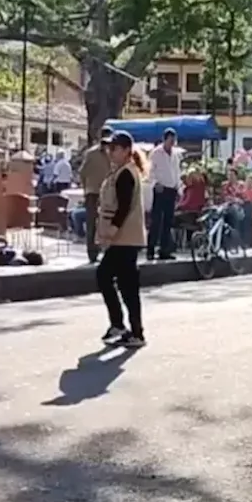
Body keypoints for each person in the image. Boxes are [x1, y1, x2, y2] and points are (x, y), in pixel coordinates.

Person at [95, 130, 148, 349]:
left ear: (127, 151)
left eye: (115, 148)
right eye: (109, 148)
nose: (111, 152)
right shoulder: (121, 171)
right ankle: (128, 328)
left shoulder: (126, 173)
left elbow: (124, 206)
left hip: (125, 237)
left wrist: (113, 229)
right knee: (125, 284)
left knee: (107, 276)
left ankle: (125, 326)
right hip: (124, 238)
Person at [77, 127, 113, 263]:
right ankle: (92, 252)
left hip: (107, 193)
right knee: (92, 222)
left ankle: (104, 249)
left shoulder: (112, 154)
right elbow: (82, 172)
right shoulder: (91, 154)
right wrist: (86, 188)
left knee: (106, 223)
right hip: (92, 192)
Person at [147, 128, 183, 260]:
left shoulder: (175, 154)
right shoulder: (156, 153)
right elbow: (150, 171)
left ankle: (164, 250)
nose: (172, 143)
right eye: (170, 140)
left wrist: (179, 189)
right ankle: (150, 249)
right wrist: (156, 183)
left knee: (168, 221)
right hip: (160, 189)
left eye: (174, 141)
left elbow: (177, 172)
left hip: (171, 189)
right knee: (156, 220)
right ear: (165, 139)